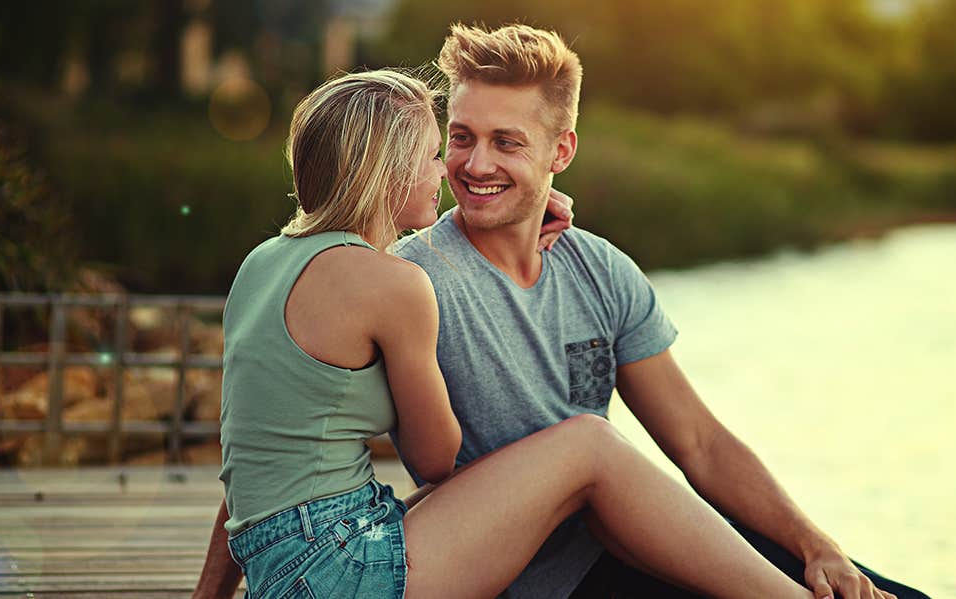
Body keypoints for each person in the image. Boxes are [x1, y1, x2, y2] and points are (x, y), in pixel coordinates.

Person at [199, 68, 816, 599]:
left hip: (280, 566)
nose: (447, 171)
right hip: (345, 571)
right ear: (389, 174)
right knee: (588, 447)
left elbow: (246, 457)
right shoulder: (396, 286)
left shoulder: (263, 264)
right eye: (435, 155)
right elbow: (438, 460)